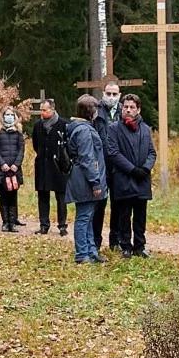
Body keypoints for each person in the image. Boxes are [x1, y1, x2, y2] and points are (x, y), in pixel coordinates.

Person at [105, 93, 156, 258]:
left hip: (142, 179)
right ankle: (125, 245)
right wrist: (132, 169)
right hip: (124, 178)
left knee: (140, 216)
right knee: (124, 215)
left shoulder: (146, 129)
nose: (128, 110)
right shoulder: (114, 128)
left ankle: (140, 246)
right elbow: (113, 153)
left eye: (132, 107)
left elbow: (151, 152)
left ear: (138, 109)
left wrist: (145, 168)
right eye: (125, 107)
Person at [65, 95, 108, 263]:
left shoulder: (82, 127)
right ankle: (82, 254)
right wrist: (95, 182)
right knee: (83, 217)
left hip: (83, 178)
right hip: (84, 179)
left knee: (88, 216)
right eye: (95, 109)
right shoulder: (83, 130)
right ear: (89, 111)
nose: (97, 112)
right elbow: (87, 158)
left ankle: (91, 251)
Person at [31, 99, 69, 236]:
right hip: (42, 164)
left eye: (45, 110)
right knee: (43, 195)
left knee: (61, 197)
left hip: (59, 166)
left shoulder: (63, 125)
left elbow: (68, 145)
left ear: (52, 110)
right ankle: (44, 224)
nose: (42, 112)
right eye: (41, 110)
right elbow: (35, 144)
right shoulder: (37, 126)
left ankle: (62, 225)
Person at [92, 81, 122, 252]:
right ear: (103, 93)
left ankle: (115, 240)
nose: (111, 97)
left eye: (114, 94)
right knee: (99, 203)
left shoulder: (125, 111)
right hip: (101, 164)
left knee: (117, 203)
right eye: (108, 93)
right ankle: (96, 240)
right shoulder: (96, 111)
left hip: (118, 164)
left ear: (119, 94)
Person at [0, 106, 25, 232]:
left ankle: (13, 222)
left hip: (14, 169)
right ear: (2, 116)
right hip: (1, 170)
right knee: (4, 195)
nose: (9, 117)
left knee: (13, 195)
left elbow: (21, 149)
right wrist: (2, 164)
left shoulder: (18, 132)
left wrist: (16, 164)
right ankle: (5, 222)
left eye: (11, 114)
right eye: (7, 114)